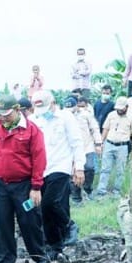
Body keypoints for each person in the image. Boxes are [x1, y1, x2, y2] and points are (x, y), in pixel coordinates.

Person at [0, 95, 48, 263]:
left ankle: (39, 258)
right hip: (1, 184)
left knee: (30, 221)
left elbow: (39, 159)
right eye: (0, 115)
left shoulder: (32, 131)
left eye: (7, 115)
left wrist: (36, 187)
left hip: (24, 185)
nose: (3, 118)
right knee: (2, 223)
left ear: (17, 110)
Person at [29, 91, 84, 253]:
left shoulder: (66, 117)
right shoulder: (33, 120)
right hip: (41, 169)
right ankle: (55, 244)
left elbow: (76, 142)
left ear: (53, 103)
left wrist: (79, 167)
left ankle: (69, 225)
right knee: (48, 208)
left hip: (60, 165)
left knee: (49, 202)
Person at [96, 97, 132, 197]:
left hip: (122, 147)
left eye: (121, 108)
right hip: (109, 144)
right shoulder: (111, 115)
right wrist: (101, 143)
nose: (119, 110)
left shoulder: (131, 118)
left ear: (126, 107)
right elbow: (105, 129)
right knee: (105, 169)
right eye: (118, 108)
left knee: (120, 170)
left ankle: (116, 191)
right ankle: (101, 191)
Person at [68, 95, 101, 203]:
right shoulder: (64, 116)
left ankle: (87, 189)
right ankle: (76, 197)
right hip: (72, 149)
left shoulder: (86, 115)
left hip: (87, 147)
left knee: (89, 168)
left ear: (76, 105)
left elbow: (95, 129)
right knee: (73, 173)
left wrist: (98, 144)